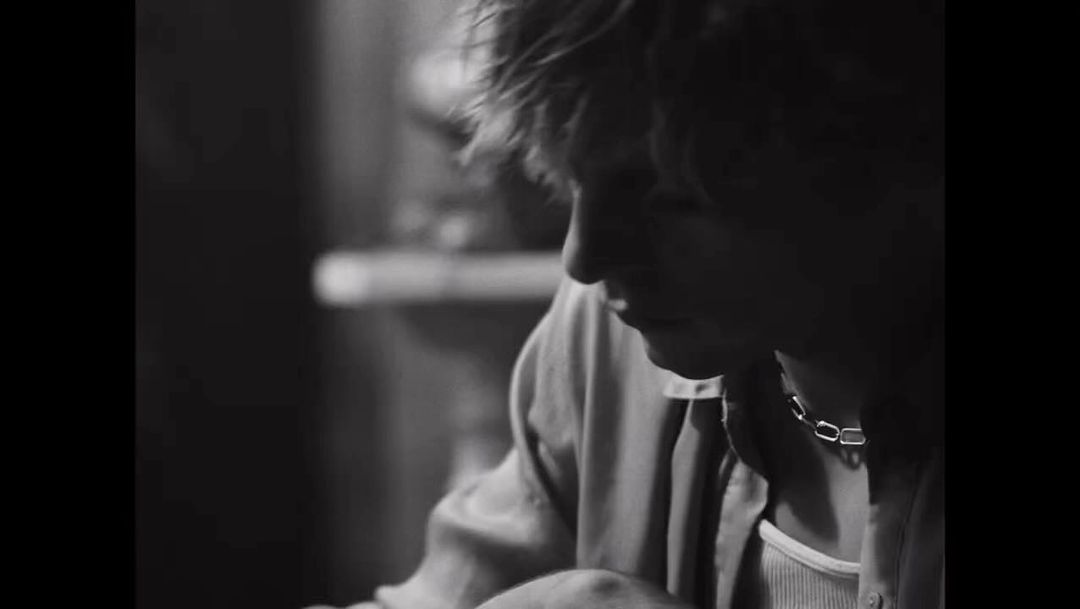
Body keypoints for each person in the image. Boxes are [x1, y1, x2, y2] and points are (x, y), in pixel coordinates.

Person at [314, 0, 944, 606]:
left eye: (671, 197)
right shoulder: (607, 344)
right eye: (572, 180)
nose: (583, 258)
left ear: (884, 159)